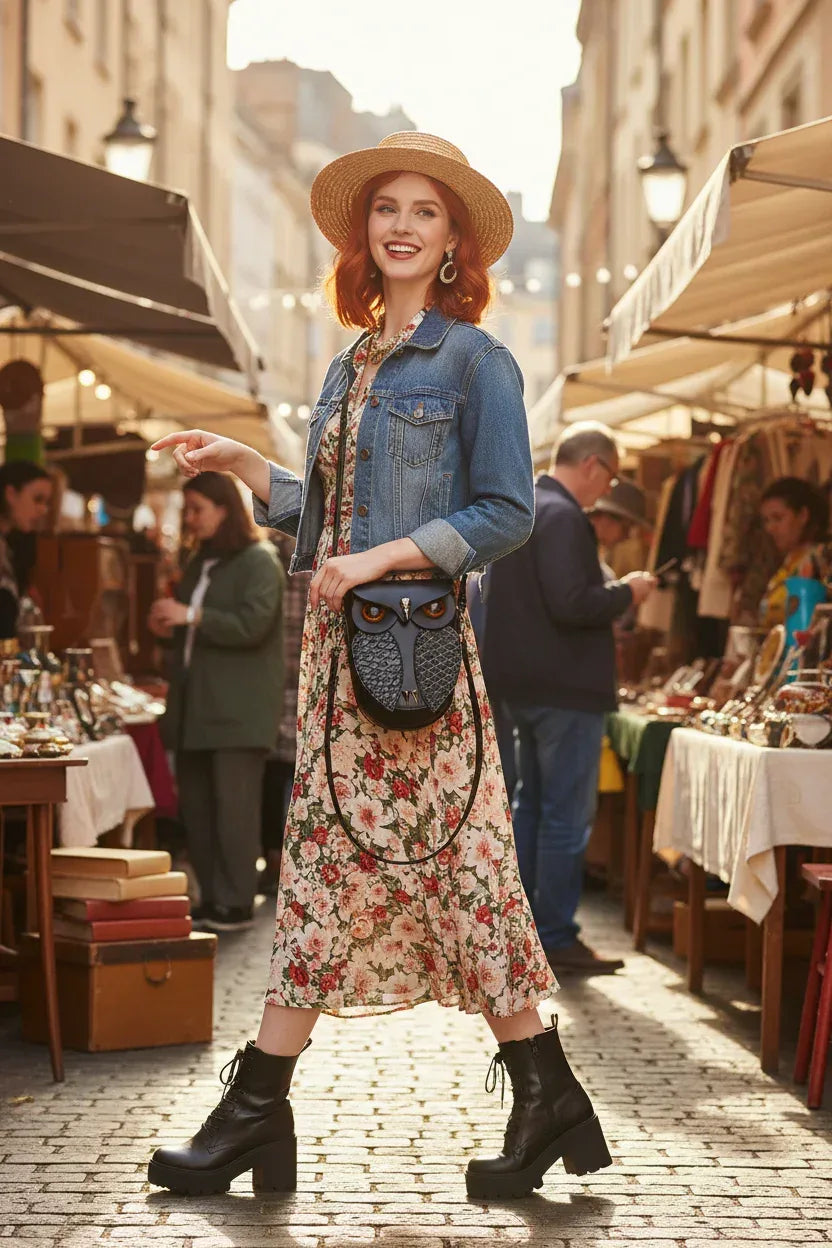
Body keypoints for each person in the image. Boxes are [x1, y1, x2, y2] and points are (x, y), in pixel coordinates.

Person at [146, 133, 613, 1202]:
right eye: (387, 209)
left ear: (453, 242)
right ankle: (282, 1109)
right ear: (367, 232)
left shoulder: (474, 361)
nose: (400, 225)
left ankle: (269, 1112)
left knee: (465, 882)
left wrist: (381, 559)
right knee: (324, 876)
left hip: (415, 666)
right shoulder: (348, 363)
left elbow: (500, 514)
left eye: (425, 212)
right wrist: (249, 468)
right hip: (334, 677)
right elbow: (333, 519)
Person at [482, 423, 656, 977]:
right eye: (610, 475)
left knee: (532, 807)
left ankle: (531, 930)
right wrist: (630, 591)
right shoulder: (561, 516)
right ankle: (553, 934)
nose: (606, 488)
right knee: (562, 817)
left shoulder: (522, 507)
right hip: (563, 691)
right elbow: (572, 603)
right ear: (593, 465)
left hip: (522, 685)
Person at [149, 471, 285, 933]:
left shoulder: (260, 561)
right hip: (192, 709)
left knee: (235, 810)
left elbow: (253, 625)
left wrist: (192, 615)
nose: (189, 520)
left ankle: (236, 900)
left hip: (238, 711)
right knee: (200, 811)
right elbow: (192, 633)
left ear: (224, 508)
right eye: (187, 510)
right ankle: (211, 897)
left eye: (196, 510)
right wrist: (168, 626)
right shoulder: (199, 562)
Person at [258, 532, 313, 895]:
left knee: (277, 773)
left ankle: (277, 857)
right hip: (297, 677)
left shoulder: (275, 558)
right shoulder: (306, 557)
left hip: (281, 678)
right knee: (289, 773)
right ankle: (285, 859)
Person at [757, 476, 830, 628]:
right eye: (766, 520)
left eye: (778, 518)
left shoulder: (822, 560)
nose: (770, 528)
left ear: (803, 515)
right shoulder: (786, 563)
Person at [0, 460, 52, 639]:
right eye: (37, 499)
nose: (43, 510)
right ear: (11, 494)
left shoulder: (13, 548)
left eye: (46, 502)